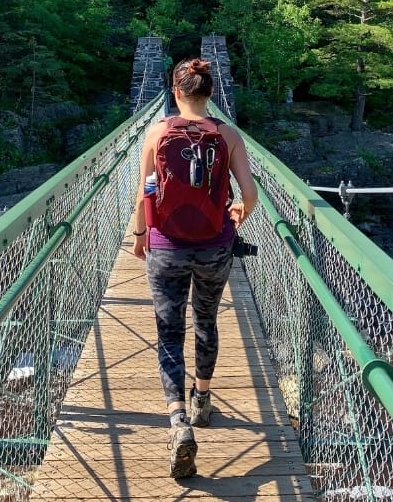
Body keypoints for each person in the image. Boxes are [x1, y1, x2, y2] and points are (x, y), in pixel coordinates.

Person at [132, 58, 258, 479]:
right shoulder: (229, 136)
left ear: (175, 92)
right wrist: (239, 213)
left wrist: (138, 236)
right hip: (214, 247)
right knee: (206, 320)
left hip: (165, 246)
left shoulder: (157, 132)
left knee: (169, 333)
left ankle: (178, 421)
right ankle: (203, 399)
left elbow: (145, 190)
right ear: (211, 95)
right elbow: (250, 193)